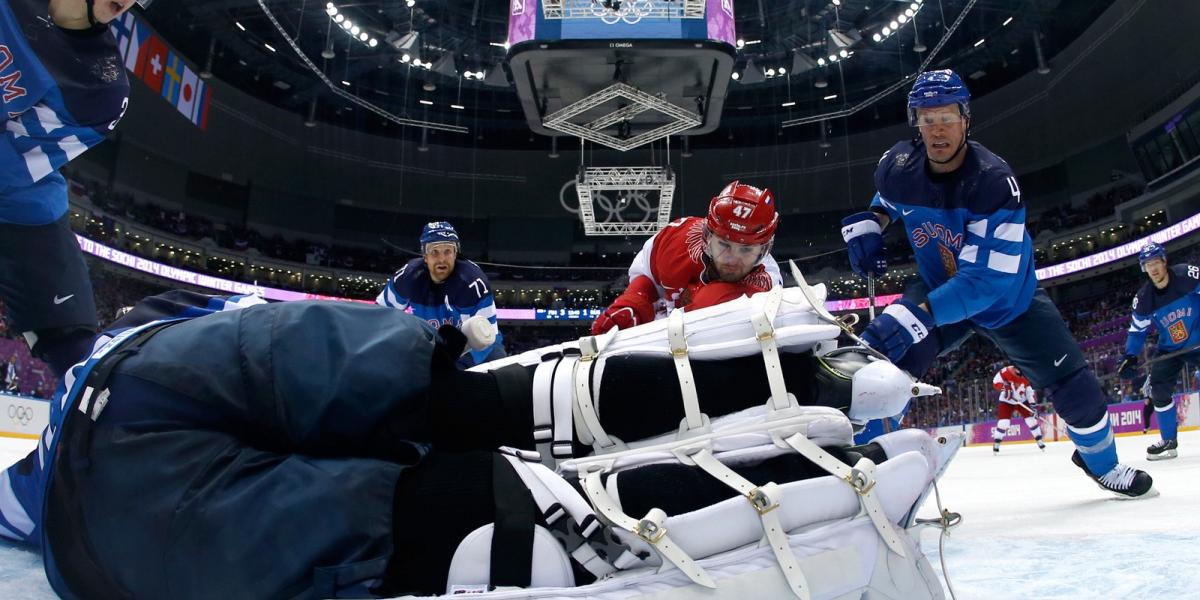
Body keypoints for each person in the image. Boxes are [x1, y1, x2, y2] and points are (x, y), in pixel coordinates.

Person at [0, 289, 943, 599]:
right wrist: (425, 363)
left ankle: (804, 468)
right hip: (144, 448)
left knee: (473, 518)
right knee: (501, 425)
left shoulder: (44, 497)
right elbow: (302, 354)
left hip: (94, 568)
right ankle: (782, 395)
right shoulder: (151, 345)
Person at [840, 69, 1153, 498]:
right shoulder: (897, 166)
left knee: (1075, 388)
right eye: (927, 118)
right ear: (915, 123)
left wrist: (921, 317)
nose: (937, 129)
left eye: (947, 116)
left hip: (1007, 302)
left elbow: (986, 282)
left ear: (966, 118)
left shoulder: (994, 183)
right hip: (937, 288)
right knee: (877, 365)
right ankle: (850, 466)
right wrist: (873, 223)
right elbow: (889, 200)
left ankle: (1102, 464)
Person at [0, 0, 137, 381]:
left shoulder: (101, 87)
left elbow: (17, 162)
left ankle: (77, 437)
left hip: (21, 206)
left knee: (79, 356)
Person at [591, 181, 783, 334]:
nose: (732, 259)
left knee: (710, 300)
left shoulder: (766, 290)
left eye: (745, 249)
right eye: (724, 244)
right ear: (707, 237)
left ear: (763, 251)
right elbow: (647, 274)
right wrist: (635, 300)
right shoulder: (677, 240)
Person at [376, 221, 505, 366]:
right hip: (433, 348)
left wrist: (457, 367)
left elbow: (486, 337)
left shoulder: (473, 282)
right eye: (434, 252)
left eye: (447, 251)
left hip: (481, 351)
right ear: (425, 255)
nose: (442, 259)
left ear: (456, 253)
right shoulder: (408, 277)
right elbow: (380, 315)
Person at [1117, 241, 1196, 461]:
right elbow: (1137, 331)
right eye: (1147, 264)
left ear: (1164, 261)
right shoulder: (1143, 299)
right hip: (1170, 347)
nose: (1153, 268)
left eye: (1156, 262)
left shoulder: (1187, 275)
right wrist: (1130, 356)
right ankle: (1169, 441)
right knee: (1158, 389)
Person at [991, 364, 1045, 453]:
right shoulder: (1005, 371)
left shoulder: (1028, 375)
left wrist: (1033, 405)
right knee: (1004, 423)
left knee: (1031, 420)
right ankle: (997, 442)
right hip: (1006, 401)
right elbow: (995, 382)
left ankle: (1039, 440)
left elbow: (1029, 392)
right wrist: (1004, 388)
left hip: (1022, 401)